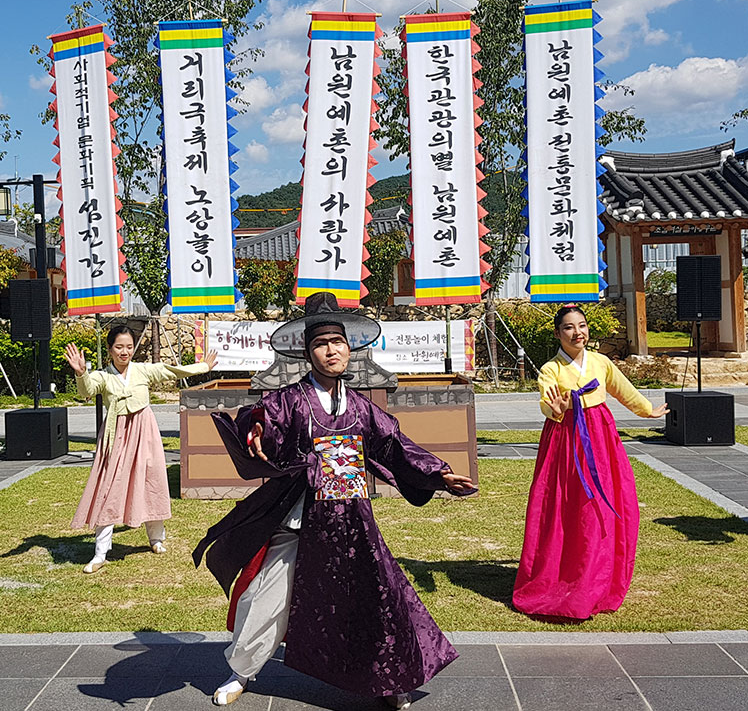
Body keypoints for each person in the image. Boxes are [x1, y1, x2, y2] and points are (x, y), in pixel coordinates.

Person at [193, 293, 475, 708]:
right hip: (299, 517)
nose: (332, 350)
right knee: (268, 598)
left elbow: (395, 446)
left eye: (338, 342)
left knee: (376, 597)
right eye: (322, 344)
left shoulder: (360, 406)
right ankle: (242, 671)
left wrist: (439, 473)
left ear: (349, 348)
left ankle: (389, 678)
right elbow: (263, 419)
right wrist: (255, 430)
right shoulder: (290, 399)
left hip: (352, 521)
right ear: (309, 353)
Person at [512, 305, 669, 620]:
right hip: (564, 441)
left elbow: (624, 390)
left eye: (581, 326)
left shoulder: (601, 362)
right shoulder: (551, 369)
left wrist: (646, 410)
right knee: (565, 505)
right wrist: (555, 409)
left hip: (599, 439)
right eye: (568, 328)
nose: (577, 333)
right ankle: (562, 573)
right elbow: (547, 402)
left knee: (599, 504)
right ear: (558, 333)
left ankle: (597, 576)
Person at [66, 326, 217, 573]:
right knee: (109, 489)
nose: (124, 352)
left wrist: (202, 368)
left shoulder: (143, 370)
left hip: (144, 433)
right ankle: (100, 552)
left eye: (129, 347)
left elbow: (169, 371)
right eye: (119, 347)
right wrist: (82, 373)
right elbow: (87, 390)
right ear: (110, 349)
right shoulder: (103, 376)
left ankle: (156, 539)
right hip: (116, 438)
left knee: (151, 481)